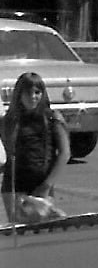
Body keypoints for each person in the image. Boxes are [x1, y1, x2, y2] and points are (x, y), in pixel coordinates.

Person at [1, 72, 70, 223]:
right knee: (18, 231)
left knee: (42, 225)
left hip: (42, 182)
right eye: (28, 93)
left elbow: (65, 153)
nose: (33, 97)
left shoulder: (52, 118)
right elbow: (7, 150)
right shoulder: (10, 120)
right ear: (19, 94)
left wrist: (47, 185)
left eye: (37, 92)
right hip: (14, 184)